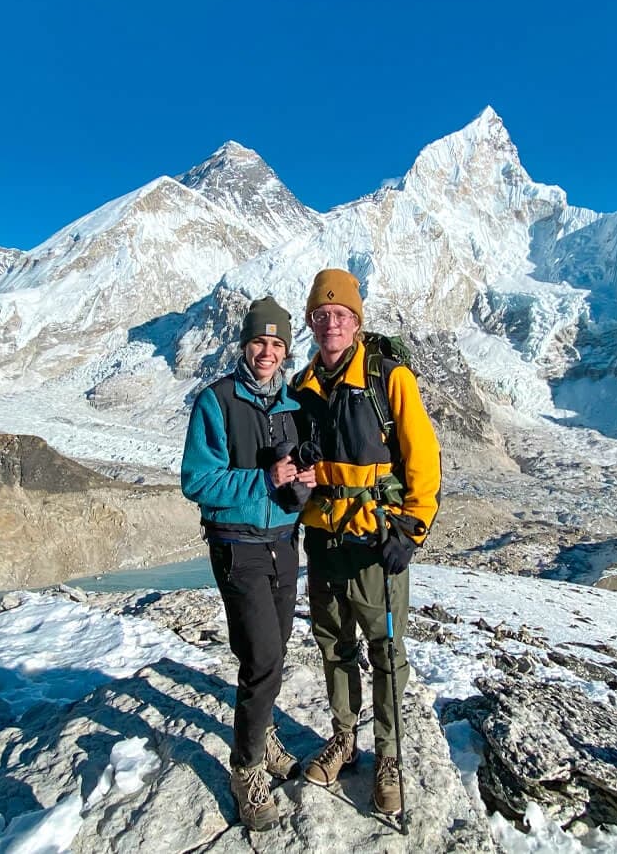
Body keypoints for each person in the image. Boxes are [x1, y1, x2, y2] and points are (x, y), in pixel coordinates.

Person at [291, 269, 441, 817]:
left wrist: (411, 529)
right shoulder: (303, 387)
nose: (330, 323)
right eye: (321, 314)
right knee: (335, 646)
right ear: (312, 321)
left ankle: (390, 757)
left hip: (378, 543)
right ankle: (343, 738)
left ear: (357, 321)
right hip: (324, 541)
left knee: (385, 652)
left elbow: (422, 456)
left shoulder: (388, 378)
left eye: (341, 314)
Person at [180, 296, 317, 832]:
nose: (267, 351)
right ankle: (245, 768)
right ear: (243, 344)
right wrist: (264, 478)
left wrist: (301, 485)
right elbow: (197, 480)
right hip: (237, 546)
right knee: (262, 657)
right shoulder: (216, 402)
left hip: (285, 544)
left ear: (286, 350)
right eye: (259, 341)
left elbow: (299, 479)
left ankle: (262, 735)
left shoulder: (293, 406)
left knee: (275, 651)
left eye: (277, 343)